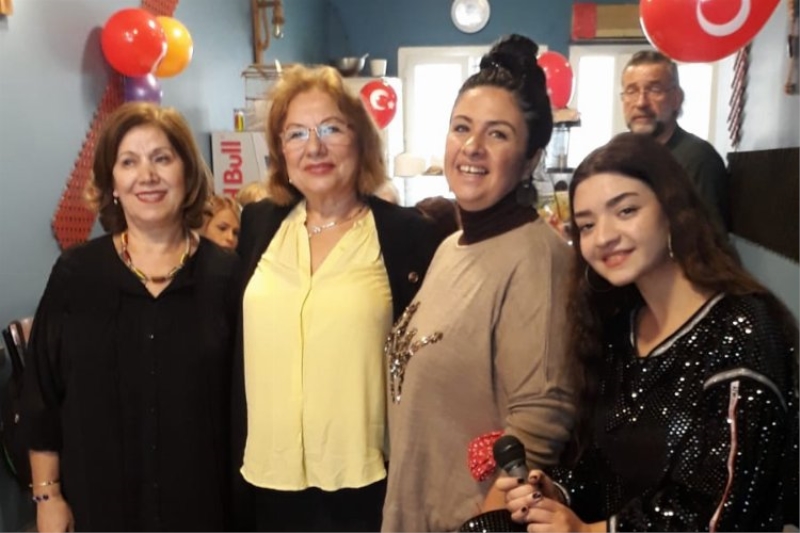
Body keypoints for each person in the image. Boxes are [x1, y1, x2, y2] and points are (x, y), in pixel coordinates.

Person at [497, 132, 799, 532]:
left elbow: (723, 510)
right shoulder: (620, 328)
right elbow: (604, 467)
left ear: (672, 210)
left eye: (626, 211)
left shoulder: (742, 329)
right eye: (586, 225)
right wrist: (557, 492)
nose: (604, 237)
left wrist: (590, 531)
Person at [232, 64, 442, 532]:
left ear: (360, 140)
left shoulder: (407, 235)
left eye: (331, 129)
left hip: (366, 483)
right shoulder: (259, 226)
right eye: (296, 134)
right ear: (280, 152)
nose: (314, 147)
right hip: (267, 480)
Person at [381, 34, 576, 532]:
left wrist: (485, 525)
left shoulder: (539, 259)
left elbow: (540, 418)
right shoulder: (451, 247)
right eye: (461, 127)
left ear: (531, 158)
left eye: (498, 134)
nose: (472, 147)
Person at [19, 102, 239, 531]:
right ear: (113, 183)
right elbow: (42, 397)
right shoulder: (76, 275)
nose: (147, 175)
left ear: (188, 174)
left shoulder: (228, 276)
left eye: (162, 158)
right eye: (129, 162)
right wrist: (48, 496)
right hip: (96, 509)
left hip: (205, 511)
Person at [621, 50, 731, 230]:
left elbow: (710, 239)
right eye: (631, 91)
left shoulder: (698, 160)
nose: (641, 102)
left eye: (654, 90)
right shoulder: (620, 158)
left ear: (677, 99)